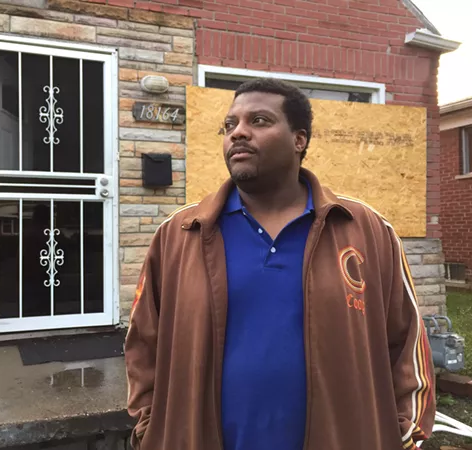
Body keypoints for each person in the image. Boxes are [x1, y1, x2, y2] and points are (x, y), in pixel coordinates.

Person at [124, 78, 435, 450]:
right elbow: (144, 342)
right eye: (229, 125)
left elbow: (407, 342)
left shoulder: (366, 231)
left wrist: (403, 433)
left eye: (258, 121)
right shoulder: (179, 234)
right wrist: (150, 430)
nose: (238, 133)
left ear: (299, 139)